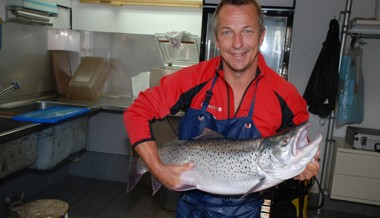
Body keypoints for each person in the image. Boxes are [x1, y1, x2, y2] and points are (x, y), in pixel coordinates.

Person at [124, 0, 320, 217]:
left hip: (253, 210)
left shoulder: (285, 95)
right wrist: (157, 168)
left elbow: (301, 149)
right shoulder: (194, 79)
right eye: (227, 32)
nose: (237, 43)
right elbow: (137, 111)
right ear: (216, 39)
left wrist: (308, 164)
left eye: (247, 31)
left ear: (262, 36)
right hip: (193, 210)